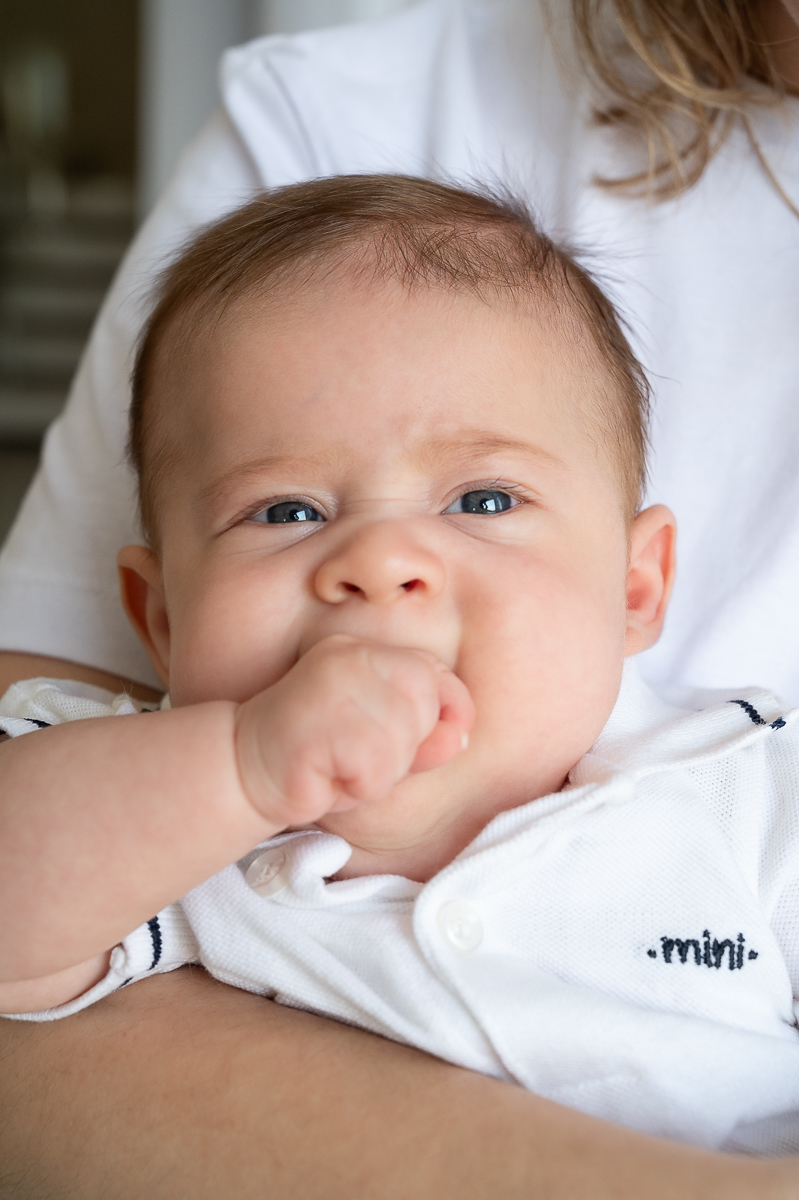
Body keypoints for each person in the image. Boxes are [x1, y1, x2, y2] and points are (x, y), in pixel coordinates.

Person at [0, 2, 797, 1196]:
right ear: (156, 616)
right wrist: (240, 769)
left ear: (635, 589)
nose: (382, 563)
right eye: (286, 512)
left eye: (481, 501)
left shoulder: (733, 797)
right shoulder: (173, 834)